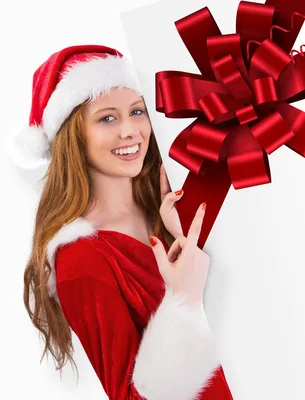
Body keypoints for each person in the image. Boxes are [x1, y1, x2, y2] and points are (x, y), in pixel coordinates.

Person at [10, 45, 233, 399]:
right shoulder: (82, 258)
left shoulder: (170, 209)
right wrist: (182, 299)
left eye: (137, 111)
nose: (131, 130)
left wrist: (188, 237)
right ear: (74, 138)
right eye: (107, 118)